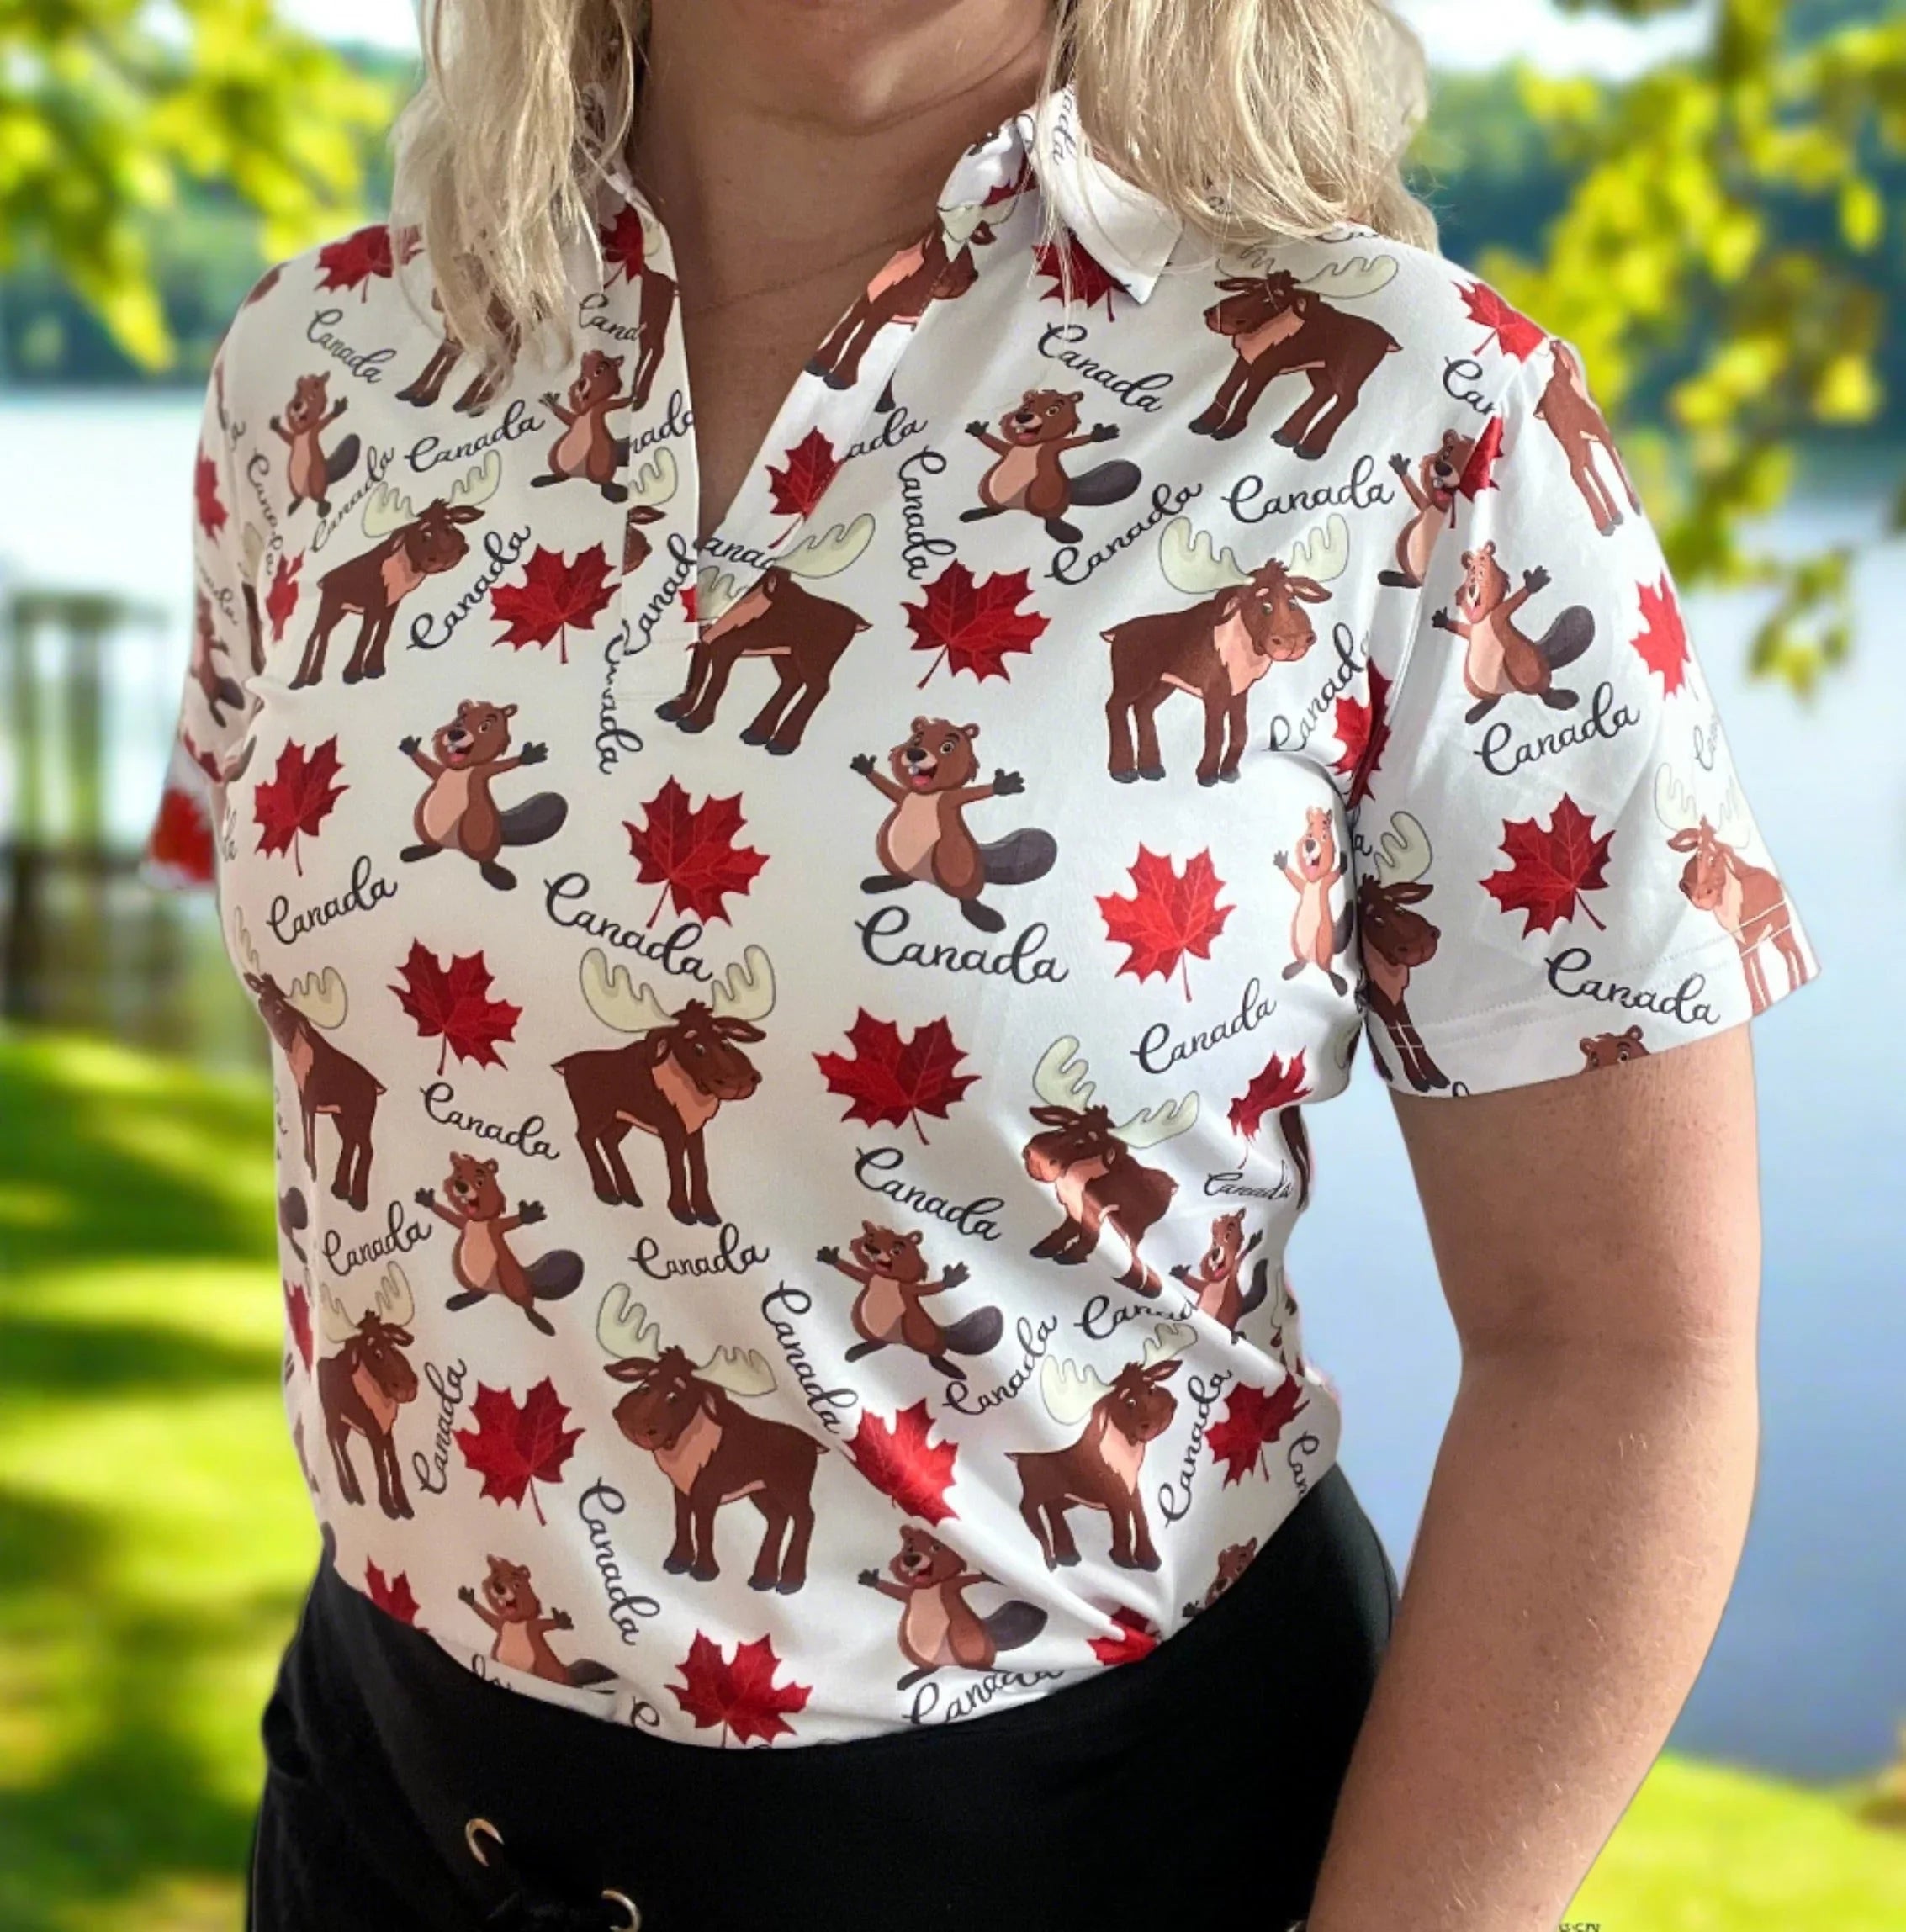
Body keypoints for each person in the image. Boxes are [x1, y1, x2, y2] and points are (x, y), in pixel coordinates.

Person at [144, 3, 1819, 1928]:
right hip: (387, 1827)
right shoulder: (319, 366)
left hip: (1097, 1851)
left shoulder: (1415, 412)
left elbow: (1620, 1350)